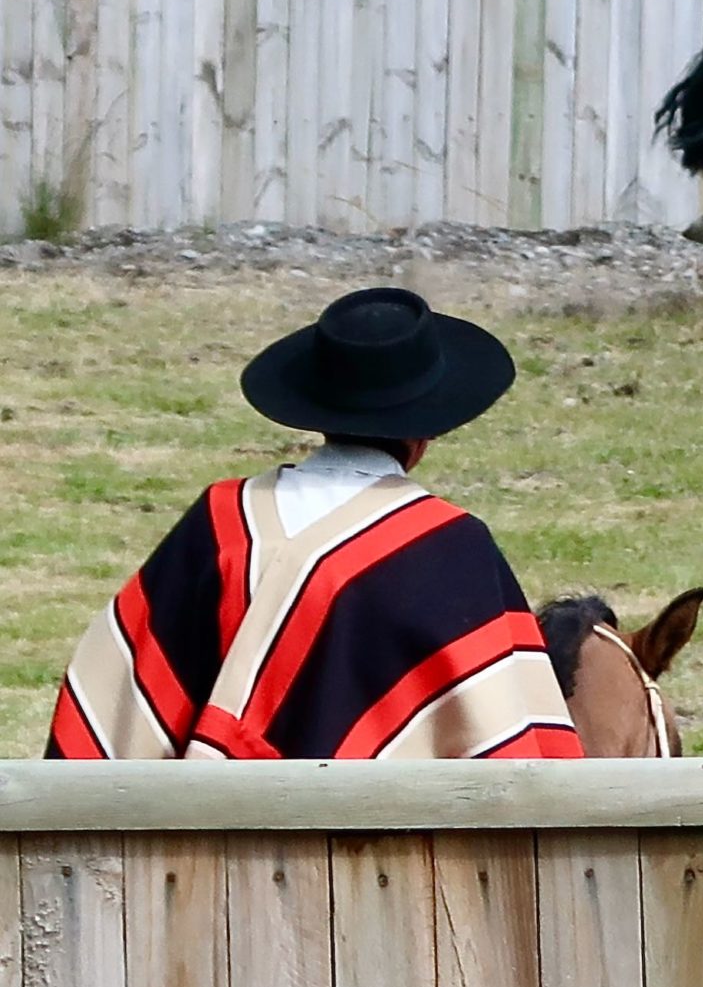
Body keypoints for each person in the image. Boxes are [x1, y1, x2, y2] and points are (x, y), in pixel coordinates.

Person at [47, 287, 582, 762]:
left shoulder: (216, 522)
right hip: (380, 868)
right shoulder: (454, 550)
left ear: (315, 411)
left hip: (187, 863)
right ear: (426, 436)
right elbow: (517, 760)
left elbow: (110, 709)